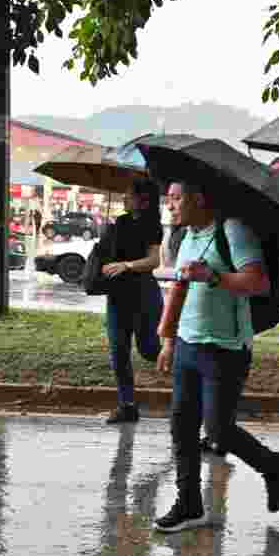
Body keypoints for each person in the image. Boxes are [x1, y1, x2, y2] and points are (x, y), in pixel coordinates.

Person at [153, 181, 279, 533]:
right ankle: (189, 505)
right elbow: (178, 290)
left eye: (176, 198)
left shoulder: (233, 230)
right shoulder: (187, 237)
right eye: (168, 199)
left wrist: (212, 276)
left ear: (199, 197)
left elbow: (258, 283)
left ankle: (272, 465)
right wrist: (169, 341)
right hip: (187, 342)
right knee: (182, 427)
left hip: (224, 348)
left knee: (218, 431)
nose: (170, 206)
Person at [100, 178, 165, 424]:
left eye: (129, 194)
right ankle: (127, 405)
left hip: (143, 294)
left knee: (150, 349)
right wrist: (106, 236)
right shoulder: (120, 222)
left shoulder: (152, 226)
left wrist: (127, 265)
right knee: (118, 350)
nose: (124, 198)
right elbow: (108, 253)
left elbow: (153, 261)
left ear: (143, 200)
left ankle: (191, 375)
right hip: (117, 296)